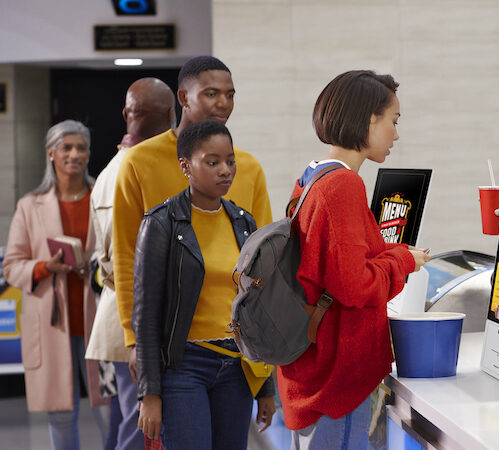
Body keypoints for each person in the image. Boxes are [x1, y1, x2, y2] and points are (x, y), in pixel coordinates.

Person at [277, 70, 430, 450]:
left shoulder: (312, 177)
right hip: (337, 379)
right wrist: (403, 260)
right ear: (369, 119)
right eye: (393, 121)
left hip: (313, 369)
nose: (396, 134)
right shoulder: (344, 185)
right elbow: (353, 284)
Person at [111, 56, 272, 401]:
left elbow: (263, 266)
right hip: (172, 348)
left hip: (234, 350)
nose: (223, 103)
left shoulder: (248, 168)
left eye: (230, 94)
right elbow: (125, 258)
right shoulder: (139, 162)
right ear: (183, 98)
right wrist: (134, 339)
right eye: (212, 93)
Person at [132, 120, 275, 449]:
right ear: (186, 165)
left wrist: (266, 387)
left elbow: (254, 308)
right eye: (212, 162)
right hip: (184, 368)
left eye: (230, 161)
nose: (225, 170)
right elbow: (146, 316)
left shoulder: (243, 221)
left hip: (236, 368)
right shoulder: (161, 223)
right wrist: (149, 394)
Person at [3, 120, 111, 449]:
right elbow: (12, 266)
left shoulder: (103, 199)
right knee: (61, 413)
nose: (75, 154)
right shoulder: (29, 206)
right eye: (67, 148)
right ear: (51, 153)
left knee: (111, 410)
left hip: (98, 320)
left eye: (81, 147)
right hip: (53, 324)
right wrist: (44, 267)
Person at [85, 77, 175, 450]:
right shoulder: (141, 170)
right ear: (173, 117)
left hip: (118, 311)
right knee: (141, 430)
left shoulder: (109, 172)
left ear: (126, 114)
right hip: (140, 316)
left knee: (132, 422)